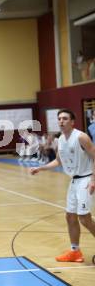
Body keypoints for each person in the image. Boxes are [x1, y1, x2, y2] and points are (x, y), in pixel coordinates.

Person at [30, 109, 95, 262]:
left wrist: (93, 179)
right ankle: (75, 251)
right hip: (74, 181)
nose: (61, 121)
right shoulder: (60, 140)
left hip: (86, 180)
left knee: (84, 218)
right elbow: (58, 161)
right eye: (59, 118)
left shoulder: (81, 137)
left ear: (72, 122)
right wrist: (40, 168)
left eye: (65, 118)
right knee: (70, 216)